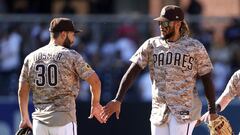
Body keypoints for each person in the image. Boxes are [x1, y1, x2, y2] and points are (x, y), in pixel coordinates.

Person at [101, 5, 218, 135]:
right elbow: (132, 71)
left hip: (184, 108)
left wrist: (212, 111)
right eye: (160, 22)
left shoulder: (195, 46)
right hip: (159, 109)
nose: (161, 26)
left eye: (166, 22)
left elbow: (207, 79)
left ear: (178, 23)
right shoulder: (151, 44)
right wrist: (118, 99)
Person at [17, 17, 106, 135]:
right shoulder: (71, 55)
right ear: (63, 34)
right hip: (64, 120)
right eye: (72, 34)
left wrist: (24, 117)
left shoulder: (31, 57)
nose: (74, 39)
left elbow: (22, 90)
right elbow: (95, 82)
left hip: (39, 123)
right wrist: (95, 104)